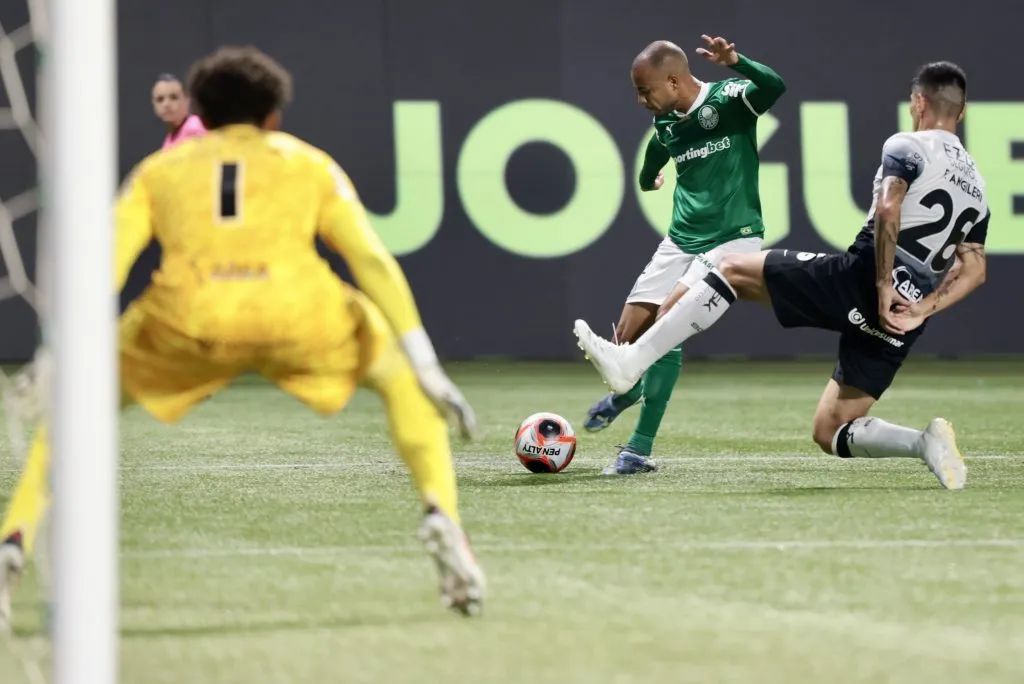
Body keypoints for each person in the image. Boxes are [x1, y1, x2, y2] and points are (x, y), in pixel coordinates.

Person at [0, 46, 485, 632]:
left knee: (72, 416)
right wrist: (426, 365)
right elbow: (371, 260)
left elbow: (104, 264)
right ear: (273, 115)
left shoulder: (159, 171)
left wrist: (61, 354)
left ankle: (15, 540)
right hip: (299, 318)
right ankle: (440, 512)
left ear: (198, 109)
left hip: (186, 324)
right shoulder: (311, 165)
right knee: (399, 375)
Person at [574, 61, 984, 490]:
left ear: (918, 102)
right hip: (904, 317)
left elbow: (887, 209)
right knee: (831, 430)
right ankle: (925, 444)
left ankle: (632, 362)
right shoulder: (976, 182)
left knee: (729, 269)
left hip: (862, 281)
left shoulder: (908, 144)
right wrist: (922, 308)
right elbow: (973, 267)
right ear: (963, 111)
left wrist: (881, 283)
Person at [582, 36, 785, 475]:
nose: (641, 100)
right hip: (680, 240)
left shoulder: (728, 101)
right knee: (628, 333)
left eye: (645, 90)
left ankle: (637, 449)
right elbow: (656, 154)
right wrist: (646, 178)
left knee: (666, 322)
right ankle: (628, 391)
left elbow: (774, 86)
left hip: (734, 239)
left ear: (674, 80)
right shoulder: (666, 122)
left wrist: (737, 62)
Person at [152, 73, 207, 148]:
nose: (166, 104)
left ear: (187, 100)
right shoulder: (168, 141)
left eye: (174, 97)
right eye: (160, 99)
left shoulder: (195, 128)